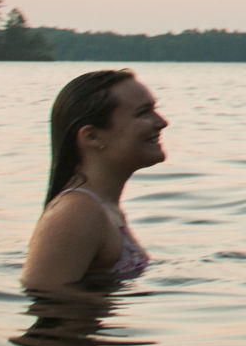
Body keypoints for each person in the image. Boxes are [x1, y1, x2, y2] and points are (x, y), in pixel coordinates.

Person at [21, 70, 166, 292]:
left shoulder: (102, 209)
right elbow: (49, 305)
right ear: (92, 137)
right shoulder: (78, 212)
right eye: (144, 113)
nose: (162, 122)